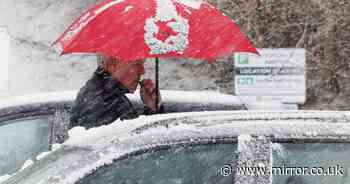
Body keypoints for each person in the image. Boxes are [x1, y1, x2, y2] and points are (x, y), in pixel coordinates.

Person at [70, 56, 162, 129]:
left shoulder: (107, 94)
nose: (143, 71)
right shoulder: (103, 101)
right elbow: (138, 142)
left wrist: (152, 107)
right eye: (137, 64)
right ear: (112, 65)